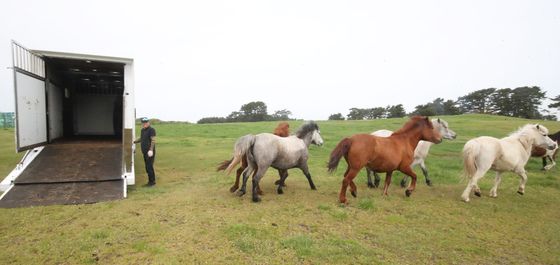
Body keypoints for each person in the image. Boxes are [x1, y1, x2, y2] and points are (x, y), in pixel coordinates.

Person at [134, 117, 157, 186]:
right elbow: (141, 138)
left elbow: (153, 140)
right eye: (143, 123)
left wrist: (151, 150)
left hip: (149, 152)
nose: (145, 124)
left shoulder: (151, 130)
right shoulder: (142, 130)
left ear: (148, 122)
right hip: (144, 152)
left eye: (146, 122)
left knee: (149, 166)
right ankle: (150, 181)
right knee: (147, 167)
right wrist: (134, 141)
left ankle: (152, 182)